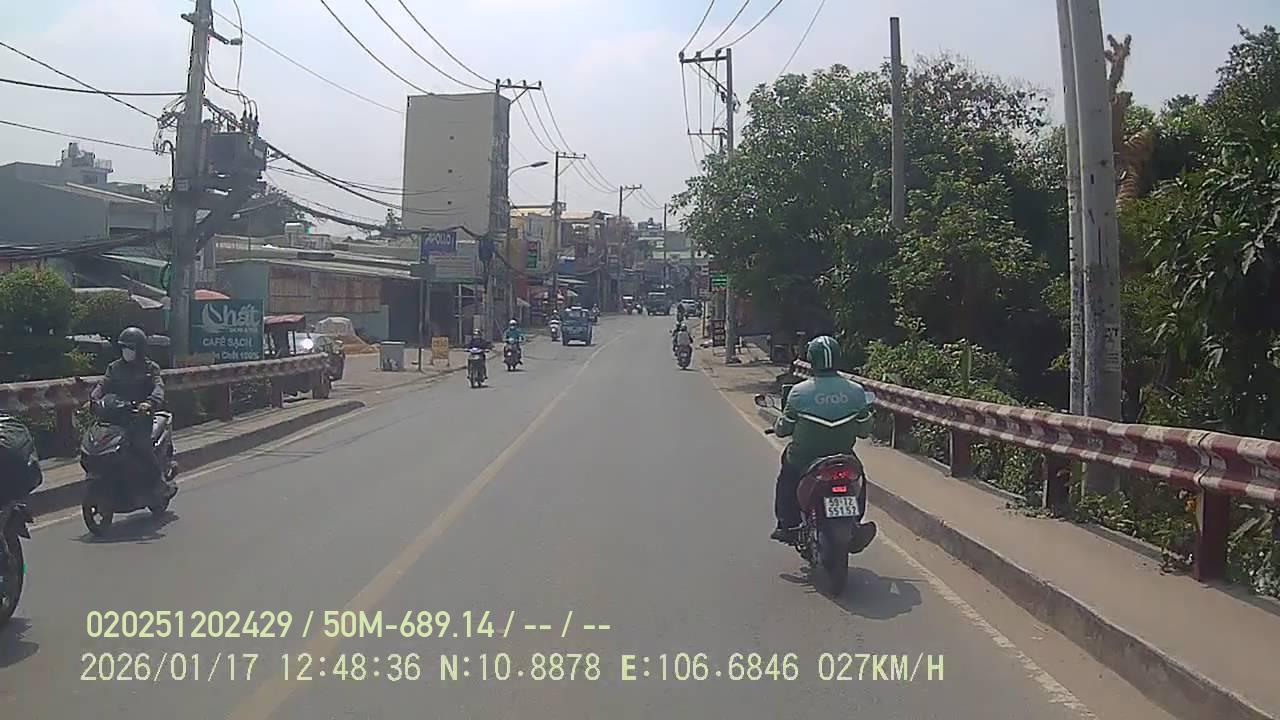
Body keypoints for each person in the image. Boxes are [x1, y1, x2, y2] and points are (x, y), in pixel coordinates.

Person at [770, 335, 876, 551]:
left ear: (811, 360)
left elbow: (783, 429)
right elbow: (865, 431)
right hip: (842, 455)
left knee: (787, 477)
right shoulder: (856, 391)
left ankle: (787, 524)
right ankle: (855, 522)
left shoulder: (798, 392)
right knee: (859, 476)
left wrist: (782, 424)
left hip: (804, 458)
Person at [91, 327, 166, 488]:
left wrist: (150, 402)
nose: (126, 351)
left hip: (140, 417)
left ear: (140, 349)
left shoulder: (150, 368)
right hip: (116, 416)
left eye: (130, 347)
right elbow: (103, 384)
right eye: (123, 347)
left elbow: (158, 387)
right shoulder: (114, 367)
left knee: (141, 446)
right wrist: (94, 398)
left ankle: (159, 482)